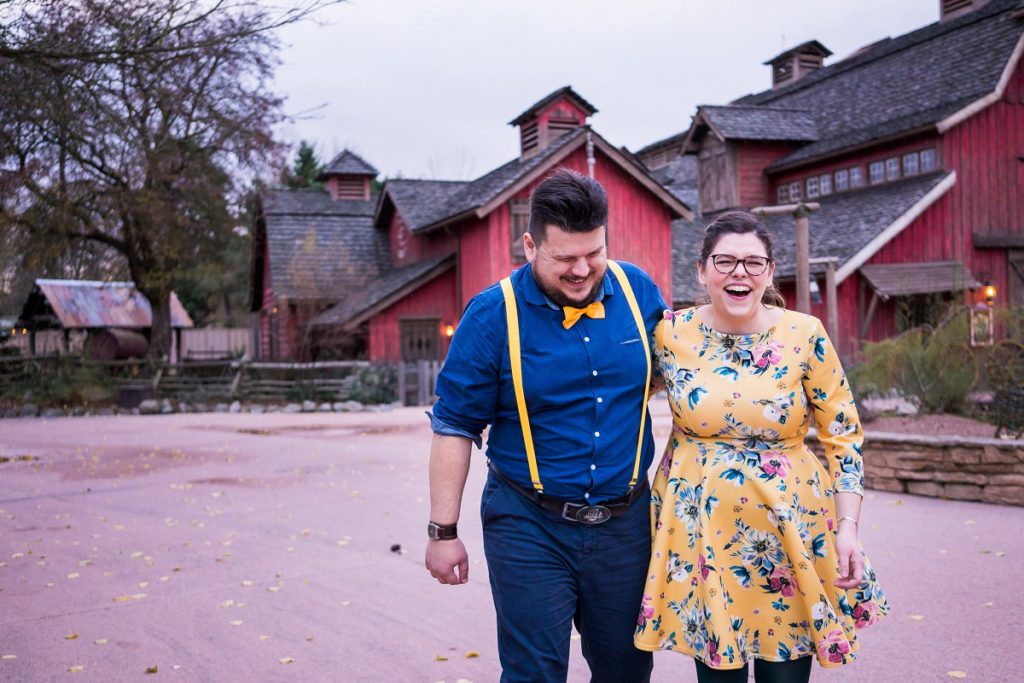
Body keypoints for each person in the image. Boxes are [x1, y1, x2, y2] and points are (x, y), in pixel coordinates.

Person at [424, 168, 666, 683]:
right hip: (529, 523)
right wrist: (443, 531)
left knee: (627, 668)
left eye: (593, 253)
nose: (583, 270)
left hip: (626, 525)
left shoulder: (639, 292)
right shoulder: (491, 316)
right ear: (531, 245)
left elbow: (686, 373)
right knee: (534, 673)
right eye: (565, 259)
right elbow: (454, 426)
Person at [634, 211, 889, 683]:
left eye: (754, 262)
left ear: (770, 272)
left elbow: (844, 437)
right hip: (703, 535)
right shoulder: (671, 333)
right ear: (702, 270)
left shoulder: (804, 334)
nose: (739, 273)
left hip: (789, 531)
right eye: (725, 260)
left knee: (784, 675)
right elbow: (618, 392)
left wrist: (848, 527)